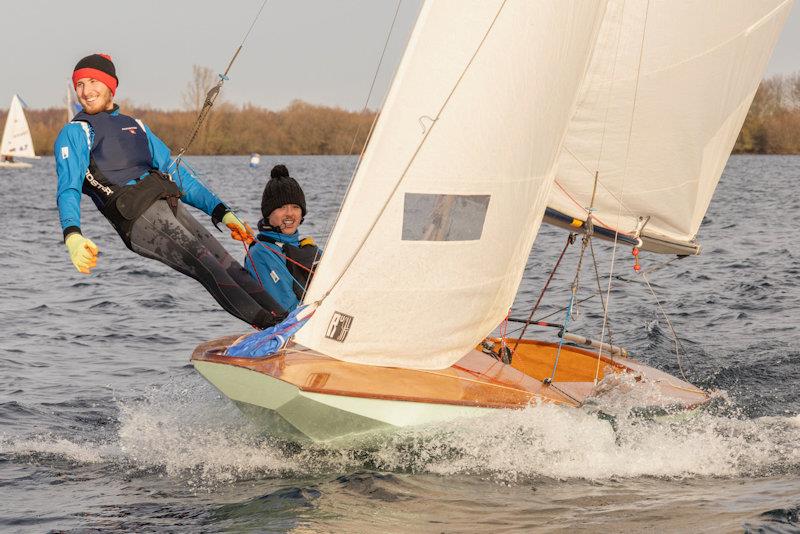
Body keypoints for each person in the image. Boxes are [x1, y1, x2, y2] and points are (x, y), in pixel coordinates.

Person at [55, 53, 286, 328]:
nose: (86, 91)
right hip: (138, 217)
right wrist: (72, 234)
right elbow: (68, 187)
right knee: (208, 267)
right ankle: (274, 329)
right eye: (79, 84)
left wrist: (223, 213)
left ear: (110, 86)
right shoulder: (76, 132)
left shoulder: (136, 126)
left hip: (167, 204)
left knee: (228, 264)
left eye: (93, 81)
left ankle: (287, 318)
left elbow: (179, 175)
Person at [244, 165, 321, 311]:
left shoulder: (308, 248)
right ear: (268, 213)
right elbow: (287, 310)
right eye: (282, 207)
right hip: (296, 328)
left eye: (295, 207)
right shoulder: (261, 253)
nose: (290, 213)